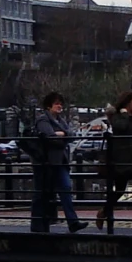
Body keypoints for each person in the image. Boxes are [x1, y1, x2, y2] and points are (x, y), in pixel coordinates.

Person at [28, 92, 83, 233]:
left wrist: (61, 134)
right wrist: (61, 136)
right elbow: (49, 137)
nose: (60, 106)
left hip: (61, 161)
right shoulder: (43, 120)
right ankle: (39, 224)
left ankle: (73, 221)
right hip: (47, 162)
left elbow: (70, 134)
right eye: (56, 103)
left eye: (60, 103)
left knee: (66, 187)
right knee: (42, 192)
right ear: (48, 106)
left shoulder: (61, 120)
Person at [102, 91, 132, 230]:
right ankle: (104, 212)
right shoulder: (118, 117)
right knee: (120, 190)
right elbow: (120, 127)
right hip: (123, 160)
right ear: (128, 102)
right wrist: (123, 114)